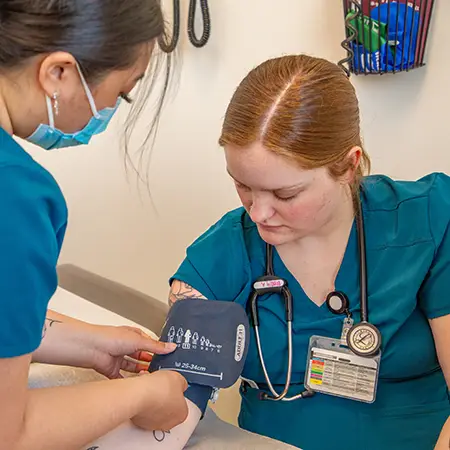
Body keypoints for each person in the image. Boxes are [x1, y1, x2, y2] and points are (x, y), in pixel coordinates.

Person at [169, 54, 450, 450]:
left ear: (349, 166)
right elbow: (176, 400)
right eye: (243, 185)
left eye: (286, 194)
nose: (259, 213)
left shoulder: (430, 222)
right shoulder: (223, 252)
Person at [0, 1, 201, 449]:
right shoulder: (16, 197)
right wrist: (141, 395)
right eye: (124, 92)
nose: (112, 109)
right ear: (58, 74)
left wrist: (85, 342)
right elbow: (7, 434)